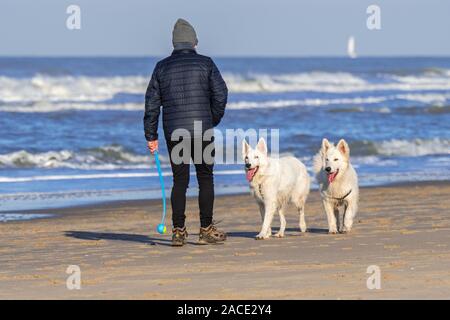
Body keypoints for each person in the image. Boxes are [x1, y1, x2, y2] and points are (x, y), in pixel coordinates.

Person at [144, 18, 228, 246]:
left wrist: (151, 136)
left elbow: (151, 104)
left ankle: (178, 231)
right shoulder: (206, 63)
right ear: (194, 42)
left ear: (174, 43)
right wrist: (212, 119)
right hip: (202, 130)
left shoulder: (161, 67)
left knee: (180, 181)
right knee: (205, 178)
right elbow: (221, 94)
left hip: (175, 132)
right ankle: (206, 229)